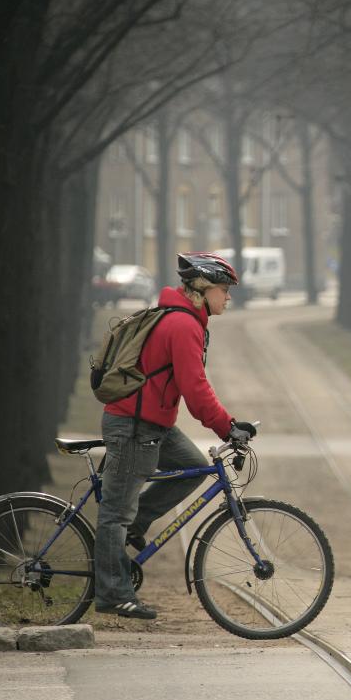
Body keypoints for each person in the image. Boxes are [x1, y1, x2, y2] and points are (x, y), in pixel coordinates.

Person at [94, 252, 256, 620]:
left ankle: (137, 525)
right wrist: (227, 426)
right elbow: (195, 390)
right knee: (115, 513)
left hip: (153, 424)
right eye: (224, 289)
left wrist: (225, 424)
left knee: (196, 468)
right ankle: (112, 593)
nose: (228, 297)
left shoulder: (186, 320)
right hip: (135, 426)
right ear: (203, 289)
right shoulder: (183, 325)